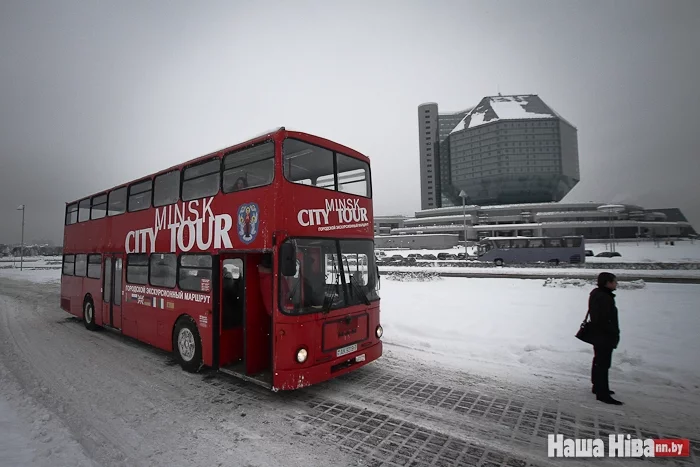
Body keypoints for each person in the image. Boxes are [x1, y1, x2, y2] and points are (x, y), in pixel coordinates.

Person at [588, 272, 622, 405]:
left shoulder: (598, 294)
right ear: (607, 283)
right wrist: (612, 331)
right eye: (614, 281)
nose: (616, 284)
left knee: (599, 361)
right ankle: (602, 393)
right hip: (604, 335)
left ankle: (597, 387)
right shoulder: (604, 297)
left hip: (599, 334)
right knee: (603, 364)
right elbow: (603, 319)